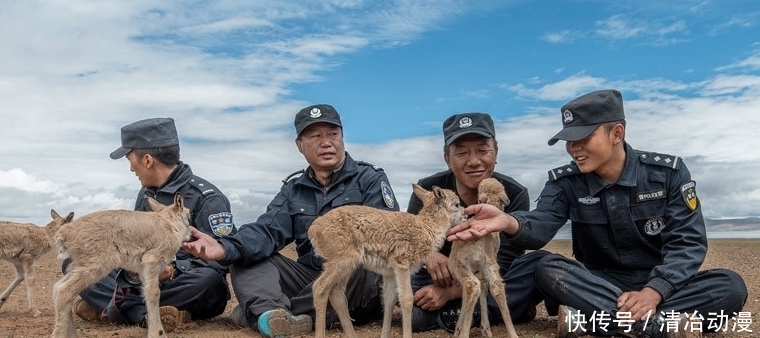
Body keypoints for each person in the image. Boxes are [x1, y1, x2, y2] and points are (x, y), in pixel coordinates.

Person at [446, 90, 748, 338]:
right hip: (596, 283)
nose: (574, 149)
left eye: (583, 138)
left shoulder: (667, 174)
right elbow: (541, 225)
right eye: (569, 141)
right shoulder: (565, 182)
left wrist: (654, 292)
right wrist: (509, 220)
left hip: (659, 283)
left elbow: (688, 244)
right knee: (541, 265)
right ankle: (660, 328)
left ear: (616, 133)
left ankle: (588, 321)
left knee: (730, 286)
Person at [182, 104, 400, 338]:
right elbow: (266, 231)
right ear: (299, 145)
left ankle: (263, 315)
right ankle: (273, 315)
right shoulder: (293, 189)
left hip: (356, 284)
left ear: (342, 138)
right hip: (310, 275)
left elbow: (387, 237)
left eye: (333, 134)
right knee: (246, 257)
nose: (326, 142)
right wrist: (226, 247)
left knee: (356, 261)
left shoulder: (370, 179)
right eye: (315, 136)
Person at [70, 117, 235, 331]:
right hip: (141, 278)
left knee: (210, 281)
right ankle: (144, 313)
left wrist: (173, 270)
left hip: (180, 283)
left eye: (130, 160)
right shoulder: (146, 194)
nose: (131, 169)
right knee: (74, 263)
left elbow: (222, 259)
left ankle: (114, 309)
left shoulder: (207, 198)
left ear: (147, 160)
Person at [409, 112, 542, 332]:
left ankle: (454, 312)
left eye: (483, 150)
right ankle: (498, 310)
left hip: (485, 274)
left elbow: (506, 259)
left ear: (496, 153)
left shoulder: (514, 193)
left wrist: (452, 292)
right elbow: (412, 237)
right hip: (439, 276)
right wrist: (429, 254)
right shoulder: (431, 190)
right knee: (398, 281)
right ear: (447, 159)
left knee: (534, 266)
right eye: (462, 152)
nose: (474, 161)